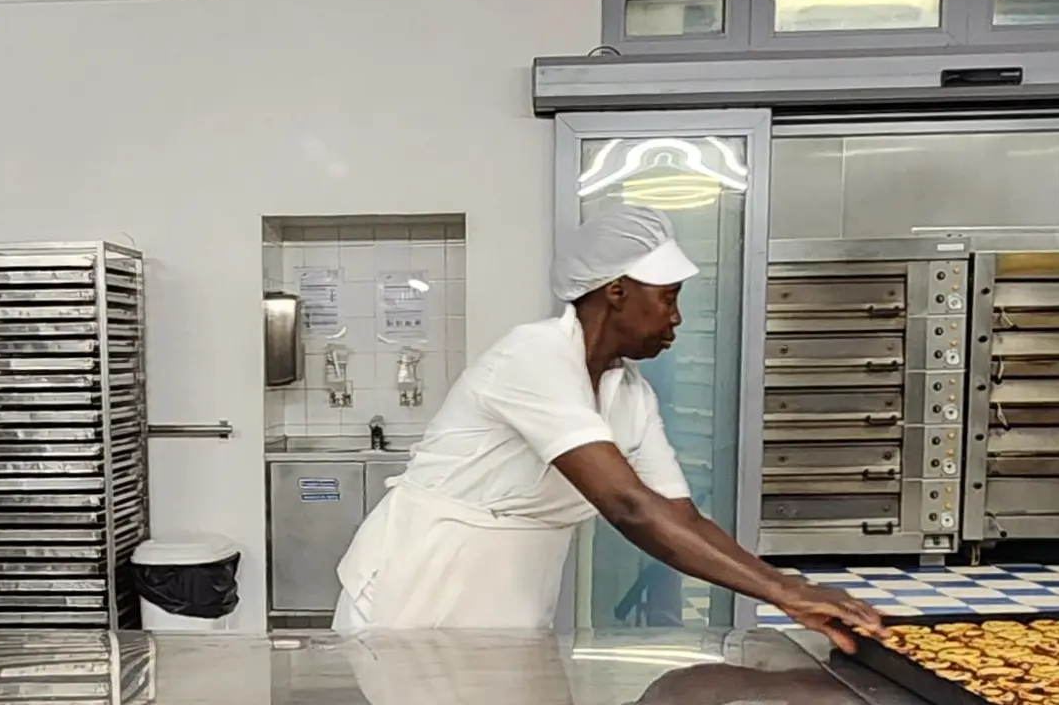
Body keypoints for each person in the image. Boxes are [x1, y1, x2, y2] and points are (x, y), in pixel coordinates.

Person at [332, 206, 883, 647]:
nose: (676, 317)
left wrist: (789, 589)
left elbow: (678, 515)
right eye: (667, 298)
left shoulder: (629, 393)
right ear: (616, 291)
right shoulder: (533, 355)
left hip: (511, 601)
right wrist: (783, 590)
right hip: (421, 588)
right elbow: (628, 506)